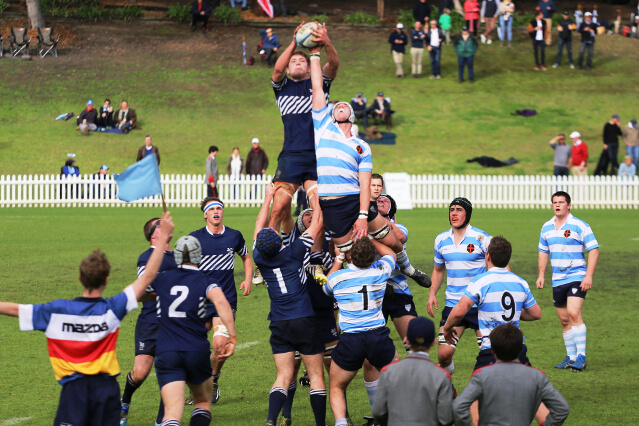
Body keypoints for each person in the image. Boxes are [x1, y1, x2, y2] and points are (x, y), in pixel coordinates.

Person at [0, 212, 173, 426]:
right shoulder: (113, 308)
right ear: (107, 279)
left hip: (74, 391)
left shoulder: (57, 311)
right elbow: (147, 277)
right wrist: (164, 236)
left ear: (80, 277)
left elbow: (16, 309)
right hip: (107, 391)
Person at [310, 45, 431, 288]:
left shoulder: (362, 145)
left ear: (352, 115)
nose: (340, 104)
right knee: (353, 253)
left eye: (346, 105)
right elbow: (317, 87)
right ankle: (373, 284)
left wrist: (363, 216)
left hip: (356, 200)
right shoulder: (322, 128)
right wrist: (314, 54)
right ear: (332, 114)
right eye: (337, 105)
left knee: (395, 240)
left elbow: (365, 185)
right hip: (332, 205)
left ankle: (408, 268)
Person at [443, 236, 544, 425]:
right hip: (517, 348)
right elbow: (536, 313)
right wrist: (516, 314)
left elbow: (460, 311)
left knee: (473, 400)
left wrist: (447, 328)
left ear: (487, 256)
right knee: (532, 396)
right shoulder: (520, 282)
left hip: (492, 349)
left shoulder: (480, 281)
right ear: (508, 258)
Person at [253, 184, 328, 426]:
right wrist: (315, 199)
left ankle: (270, 420)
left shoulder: (260, 257)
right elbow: (316, 225)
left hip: (279, 321)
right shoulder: (294, 251)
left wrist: (267, 199)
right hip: (304, 318)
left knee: (283, 375)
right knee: (316, 375)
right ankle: (319, 424)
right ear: (278, 242)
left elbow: (259, 227)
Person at [151, 234, 237, 425]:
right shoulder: (205, 281)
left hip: (167, 351)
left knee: (172, 412)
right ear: (199, 257)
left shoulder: (162, 279)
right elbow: (222, 303)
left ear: (177, 256)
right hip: (195, 350)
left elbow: (139, 292)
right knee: (203, 402)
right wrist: (232, 336)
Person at [268, 22, 338, 244]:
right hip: (290, 155)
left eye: (302, 61)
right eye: (293, 62)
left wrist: (326, 43)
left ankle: (316, 259)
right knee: (278, 207)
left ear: (309, 68)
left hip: (317, 156)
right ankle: (269, 251)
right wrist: (293, 42)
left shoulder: (319, 85)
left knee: (318, 206)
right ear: (289, 69)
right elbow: (276, 70)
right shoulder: (282, 87)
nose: (297, 63)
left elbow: (334, 65)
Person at [322, 238, 400, 426]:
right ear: (373, 257)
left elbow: (326, 289)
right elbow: (391, 254)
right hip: (378, 336)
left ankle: (342, 423)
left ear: (351, 256)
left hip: (351, 340)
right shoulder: (380, 271)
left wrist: (339, 258)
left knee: (337, 387)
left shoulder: (337, 278)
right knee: (399, 380)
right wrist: (372, 239)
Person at [189, 196, 252, 402]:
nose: (216, 212)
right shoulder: (194, 239)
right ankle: (198, 384)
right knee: (193, 347)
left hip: (225, 301)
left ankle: (213, 379)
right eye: (212, 209)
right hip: (200, 301)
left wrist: (248, 279)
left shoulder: (234, 236)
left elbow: (246, 256)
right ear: (205, 214)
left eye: (219, 208)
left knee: (220, 346)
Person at [120, 217, 178, 426]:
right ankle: (124, 403)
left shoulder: (179, 258)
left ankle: (161, 422)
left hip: (173, 324)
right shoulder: (146, 258)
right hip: (150, 322)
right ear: (154, 233)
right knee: (139, 374)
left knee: (170, 372)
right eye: (161, 224)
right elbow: (145, 286)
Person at [453, 324, 570, 426]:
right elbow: (562, 409)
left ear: (492, 350)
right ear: (520, 349)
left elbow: (459, 407)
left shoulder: (482, 375)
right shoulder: (537, 376)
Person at [428, 197, 492, 376]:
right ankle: (449, 389)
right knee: (443, 356)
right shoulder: (441, 240)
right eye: (452, 209)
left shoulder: (481, 238)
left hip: (480, 306)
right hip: (453, 305)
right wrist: (432, 292)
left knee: (490, 354)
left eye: (459, 210)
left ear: (467, 214)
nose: (454, 213)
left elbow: (497, 267)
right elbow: (438, 270)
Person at [537, 191, 599, 371]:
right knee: (564, 320)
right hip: (557, 280)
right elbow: (543, 251)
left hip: (576, 277)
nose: (557, 205)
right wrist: (541, 275)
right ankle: (570, 357)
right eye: (554, 202)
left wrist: (588, 275)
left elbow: (593, 250)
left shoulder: (580, 225)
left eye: (561, 202)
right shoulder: (546, 227)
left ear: (568, 205)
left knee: (573, 313)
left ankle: (581, 357)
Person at [372, 317, 455, 426]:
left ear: (407, 340)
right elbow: (446, 418)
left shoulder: (388, 372)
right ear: (433, 342)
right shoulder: (441, 375)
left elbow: (378, 412)